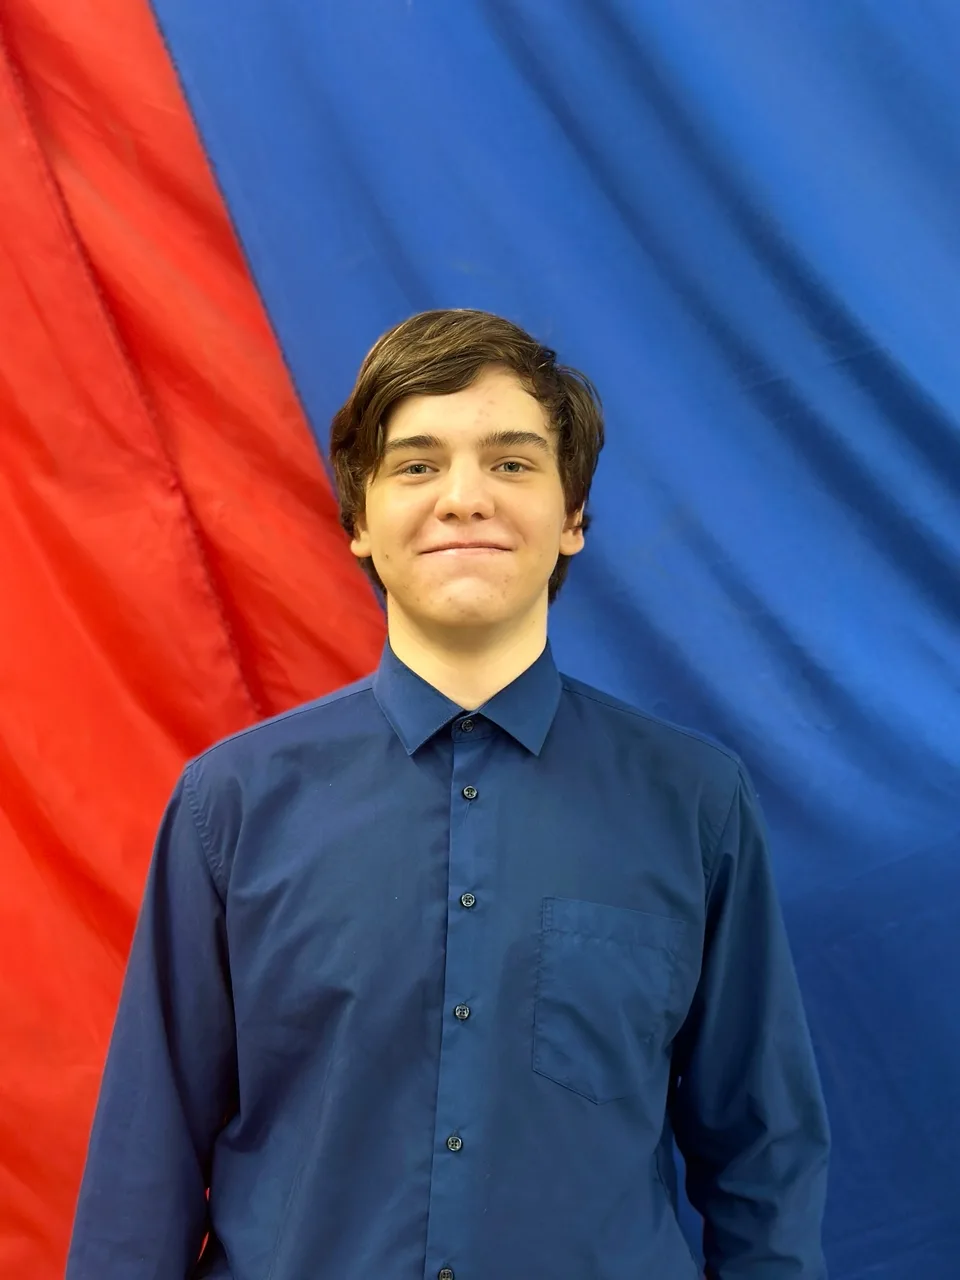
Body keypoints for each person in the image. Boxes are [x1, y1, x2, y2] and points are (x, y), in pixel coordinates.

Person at [66, 309, 830, 1279]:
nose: (464, 499)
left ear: (574, 517)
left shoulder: (695, 802)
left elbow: (764, 1153)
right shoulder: (233, 804)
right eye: (417, 465)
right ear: (359, 521)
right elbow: (146, 1164)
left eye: (511, 463)